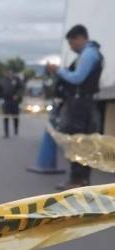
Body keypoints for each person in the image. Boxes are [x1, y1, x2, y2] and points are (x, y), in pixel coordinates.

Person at [48, 24, 103, 189]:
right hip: (84, 104)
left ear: (80, 38)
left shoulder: (88, 54)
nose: (72, 47)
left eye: (72, 43)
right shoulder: (91, 53)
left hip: (80, 105)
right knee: (83, 142)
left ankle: (77, 180)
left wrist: (59, 70)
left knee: (76, 141)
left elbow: (77, 78)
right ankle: (81, 180)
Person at [0, 69, 23, 138]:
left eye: (10, 72)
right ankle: (6, 132)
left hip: (14, 101)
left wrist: (17, 95)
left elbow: (21, 88)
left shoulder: (16, 79)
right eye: (7, 73)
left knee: (15, 116)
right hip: (6, 100)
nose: (8, 74)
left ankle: (16, 129)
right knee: (5, 117)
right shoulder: (2, 80)